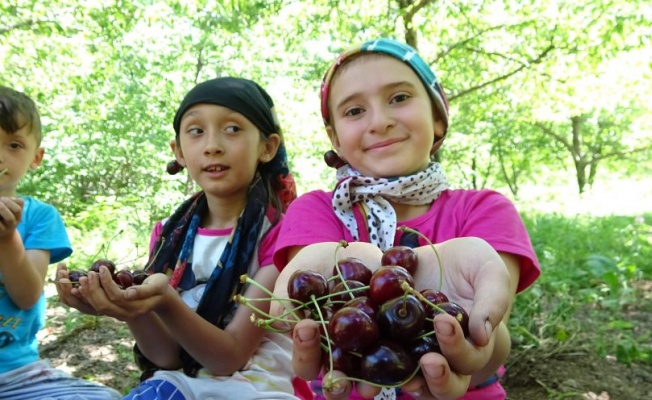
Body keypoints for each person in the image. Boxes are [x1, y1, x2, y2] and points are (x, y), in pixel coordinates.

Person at [271, 38, 541, 400]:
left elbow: (489, 339)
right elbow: (321, 312)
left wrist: (475, 343)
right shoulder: (315, 210)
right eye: (354, 111)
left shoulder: (485, 209)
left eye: (399, 98)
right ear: (334, 139)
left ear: (438, 119)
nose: (380, 122)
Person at [54, 77, 311, 399]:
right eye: (195, 131)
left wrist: (166, 301)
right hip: (180, 383)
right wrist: (131, 308)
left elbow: (229, 357)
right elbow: (166, 356)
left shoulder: (281, 238)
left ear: (267, 147)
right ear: (178, 151)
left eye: (232, 129)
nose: (212, 145)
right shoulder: (167, 236)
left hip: (258, 388)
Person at [0, 85, 121, 399]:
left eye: (13, 145)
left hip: (17, 374)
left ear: (35, 157)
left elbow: (27, 295)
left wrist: (7, 237)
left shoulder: (39, 217)